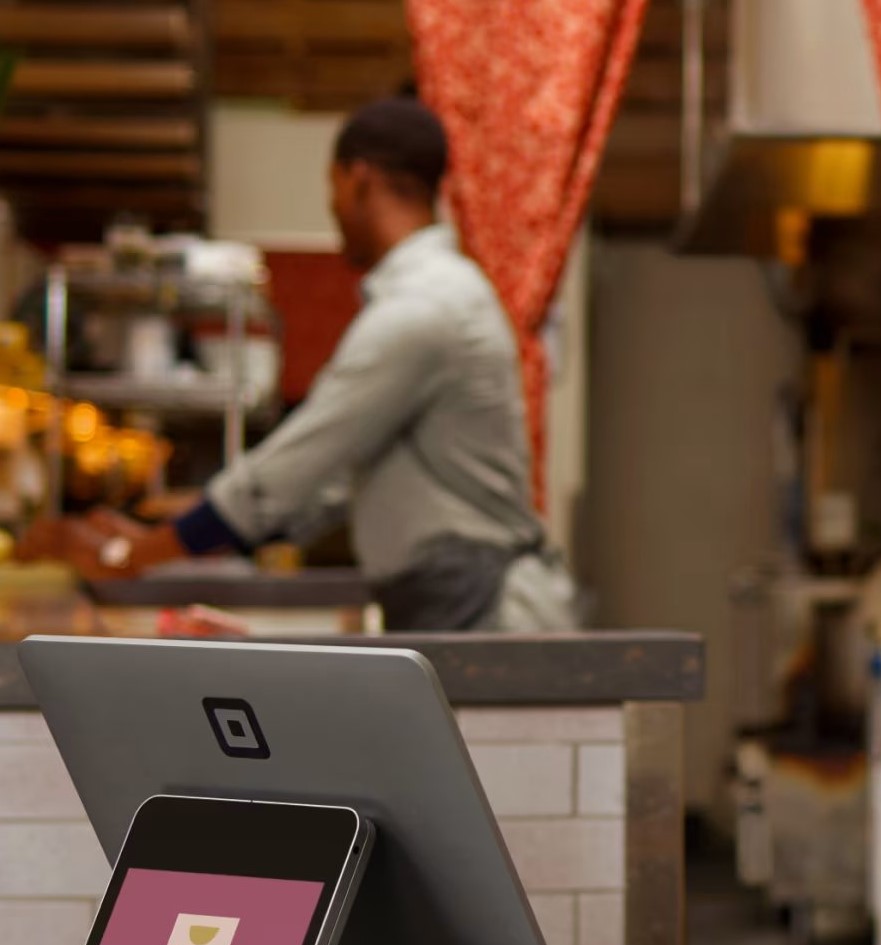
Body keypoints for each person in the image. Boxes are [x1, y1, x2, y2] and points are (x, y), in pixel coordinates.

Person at [28, 97, 575, 632]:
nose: (333, 208)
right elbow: (332, 485)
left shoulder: (424, 309)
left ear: (359, 178)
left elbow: (299, 465)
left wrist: (131, 553)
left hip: (480, 606)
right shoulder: (438, 296)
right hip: (450, 597)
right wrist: (170, 521)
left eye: (332, 187)